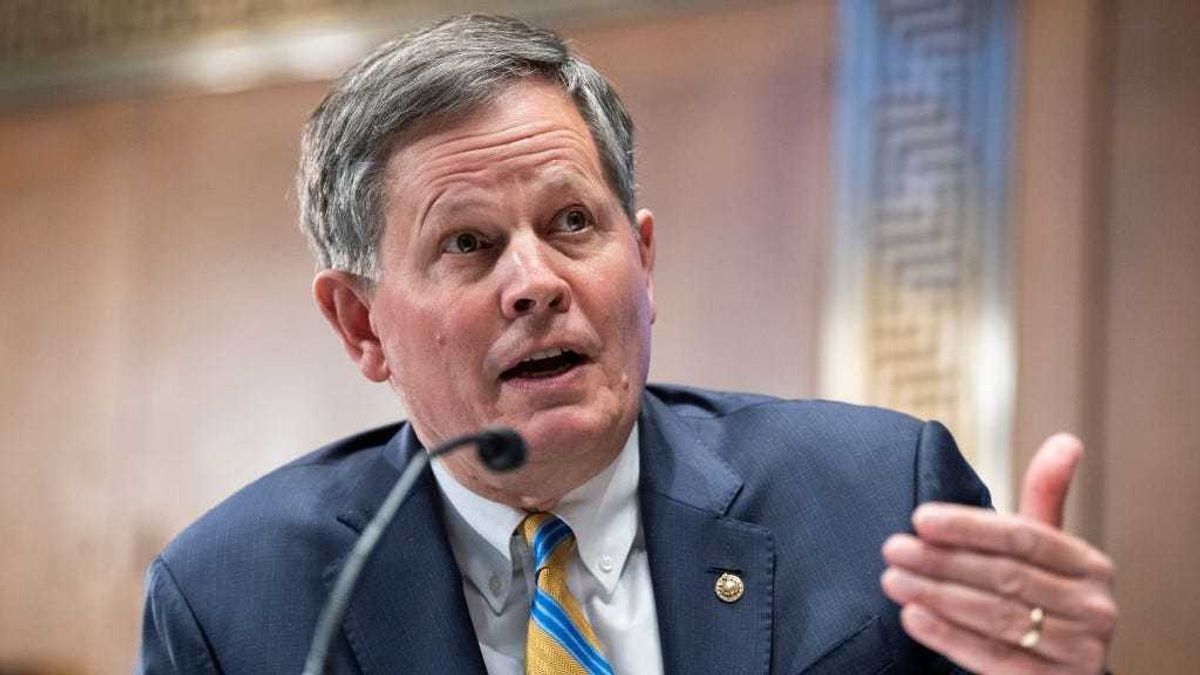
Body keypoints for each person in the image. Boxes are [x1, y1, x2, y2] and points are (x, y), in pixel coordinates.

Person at [137, 14, 1116, 674]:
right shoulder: (233, 600)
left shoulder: (878, 498)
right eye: (469, 244)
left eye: (571, 223)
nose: (536, 282)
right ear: (362, 325)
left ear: (642, 262)